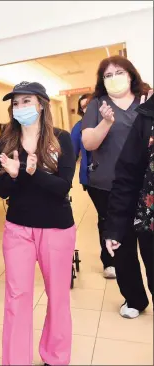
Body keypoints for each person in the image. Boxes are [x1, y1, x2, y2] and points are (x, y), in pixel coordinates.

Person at [0, 81, 76, 365]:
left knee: (57, 297)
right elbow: (3, 191)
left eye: (26, 101)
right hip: (18, 229)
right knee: (16, 297)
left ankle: (55, 356)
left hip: (56, 229)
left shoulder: (60, 139)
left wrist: (31, 172)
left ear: (41, 104)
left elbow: (62, 186)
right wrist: (15, 175)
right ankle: (15, 360)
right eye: (16, 103)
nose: (21, 108)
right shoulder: (7, 143)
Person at [82, 56, 151, 281]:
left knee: (149, 243)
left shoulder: (146, 100)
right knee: (121, 243)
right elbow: (88, 143)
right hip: (109, 185)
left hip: (147, 185)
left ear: (131, 74)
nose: (114, 78)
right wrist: (106, 122)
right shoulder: (97, 104)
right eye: (108, 75)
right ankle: (133, 298)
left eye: (119, 72)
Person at [104, 91, 154, 319]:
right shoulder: (147, 117)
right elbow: (127, 175)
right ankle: (135, 298)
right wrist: (114, 226)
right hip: (148, 217)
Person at [70, 94, 92, 190]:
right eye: (84, 107)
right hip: (90, 176)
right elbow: (71, 155)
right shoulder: (78, 127)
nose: (87, 109)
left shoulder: (109, 121)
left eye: (89, 104)